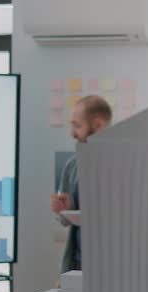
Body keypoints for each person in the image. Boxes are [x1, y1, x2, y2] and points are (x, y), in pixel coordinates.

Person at [50, 95, 112, 273]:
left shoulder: (122, 163)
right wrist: (63, 210)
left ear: (98, 126)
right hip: (79, 263)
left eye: (77, 125)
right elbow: (64, 220)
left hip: (112, 262)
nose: (72, 133)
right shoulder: (71, 165)